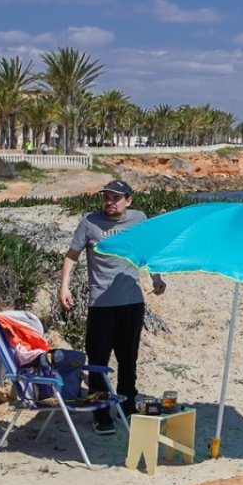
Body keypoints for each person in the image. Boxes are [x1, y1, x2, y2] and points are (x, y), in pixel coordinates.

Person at [60, 179, 165, 434]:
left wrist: (157, 278)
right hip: (101, 304)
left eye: (116, 197)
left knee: (128, 360)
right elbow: (71, 256)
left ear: (128, 200)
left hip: (132, 303)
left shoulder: (139, 219)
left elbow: (148, 252)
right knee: (98, 361)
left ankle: (127, 405)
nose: (110, 202)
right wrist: (64, 287)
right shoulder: (90, 222)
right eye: (106, 197)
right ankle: (101, 413)